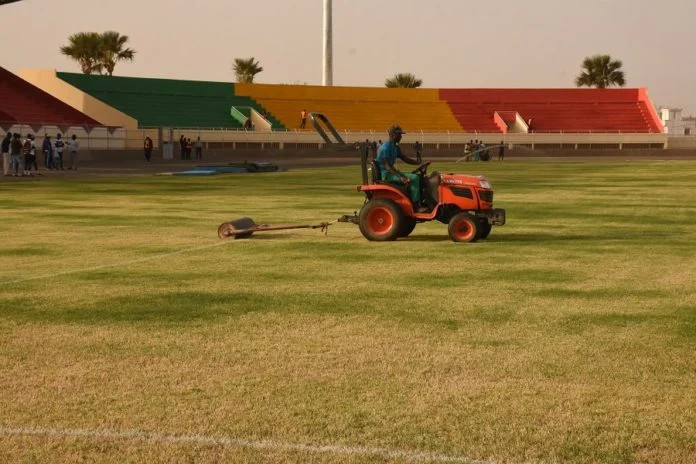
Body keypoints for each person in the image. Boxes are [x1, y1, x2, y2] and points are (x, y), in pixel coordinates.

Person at [375, 125, 425, 211]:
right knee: (415, 178)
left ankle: (420, 200)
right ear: (393, 135)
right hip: (386, 174)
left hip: (391, 172)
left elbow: (404, 158)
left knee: (419, 176)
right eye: (399, 134)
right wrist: (402, 177)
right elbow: (387, 166)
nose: (401, 137)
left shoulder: (395, 146)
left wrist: (419, 163)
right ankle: (416, 206)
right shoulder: (386, 147)